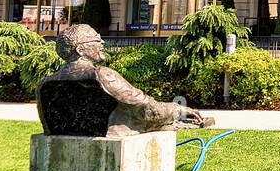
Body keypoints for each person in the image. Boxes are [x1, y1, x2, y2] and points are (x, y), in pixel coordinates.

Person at [36, 24, 211, 138]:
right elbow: (149, 108)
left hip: (65, 135)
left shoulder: (45, 83)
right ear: (81, 49)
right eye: (96, 40)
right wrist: (177, 109)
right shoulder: (102, 75)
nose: (102, 43)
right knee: (174, 122)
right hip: (112, 133)